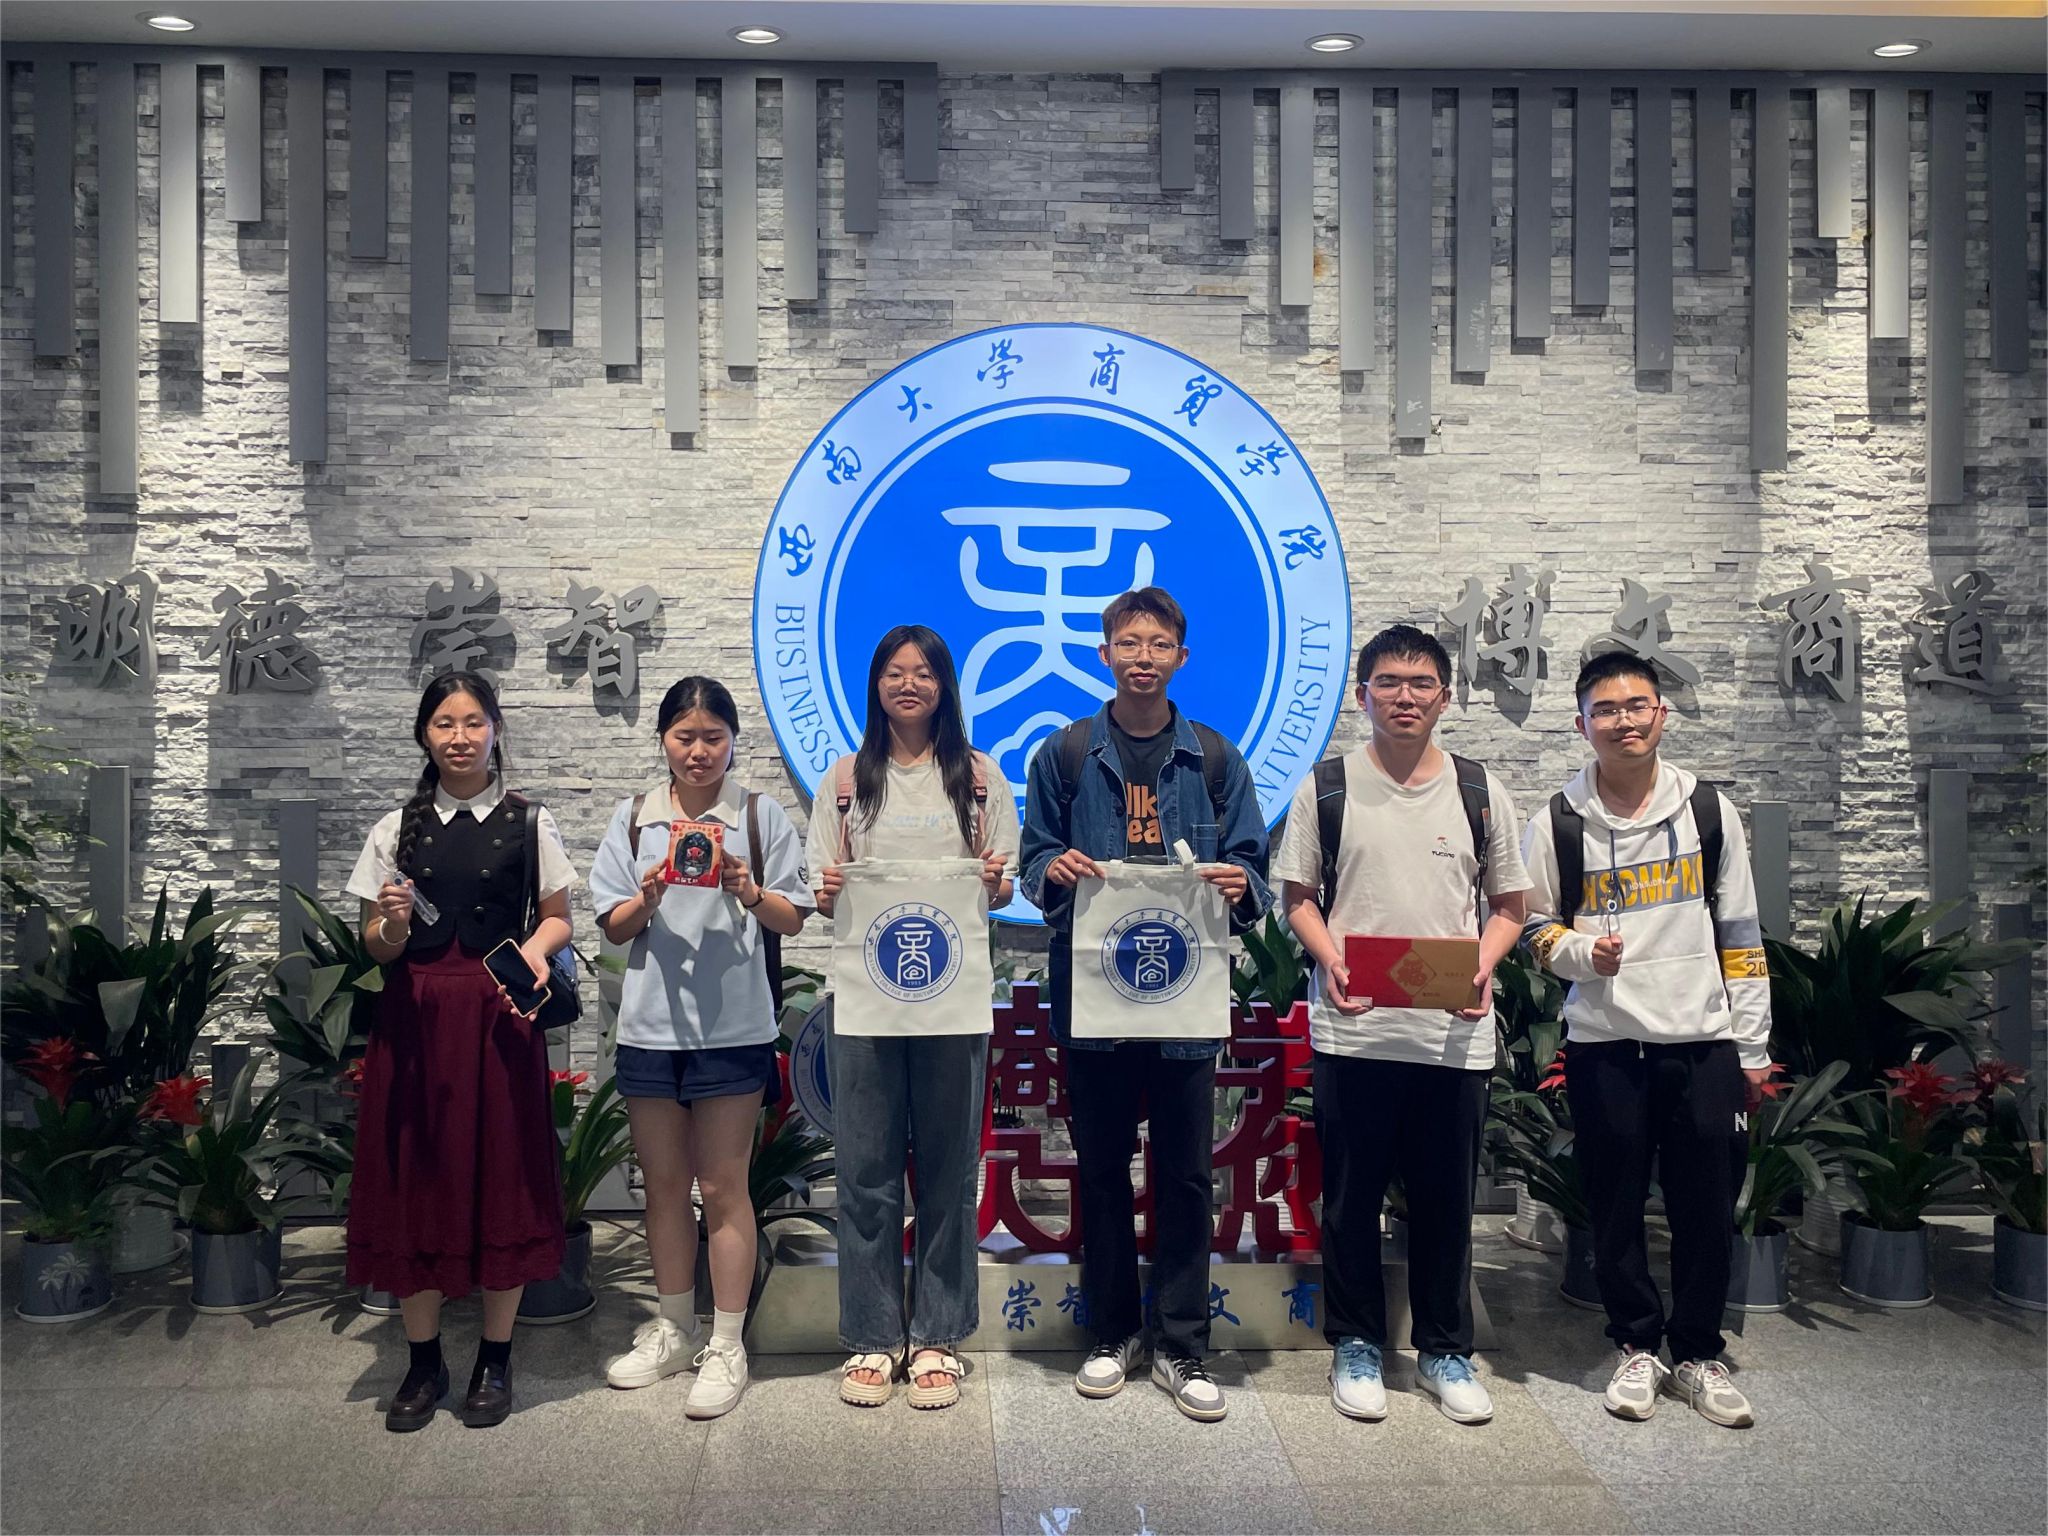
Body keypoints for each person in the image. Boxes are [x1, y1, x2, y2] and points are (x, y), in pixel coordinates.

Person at [1019, 587, 1270, 1423]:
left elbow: (1254, 868)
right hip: (1096, 1005)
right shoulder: (1064, 754)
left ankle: (1182, 1343)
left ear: (1181, 658)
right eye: (1129, 643)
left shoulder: (1215, 758)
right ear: (1104, 653)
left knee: (1185, 1177)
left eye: (1159, 644)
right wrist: (1052, 871)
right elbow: (1033, 860)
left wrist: (1240, 883)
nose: (1143, 657)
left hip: (1184, 1007)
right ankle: (1113, 1332)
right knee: (1100, 1173)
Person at [1274, 624, 1529, 1427]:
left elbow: (1510, 906)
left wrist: (1482, 966)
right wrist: (1332, 961)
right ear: (1363, 695)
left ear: (1445, 697)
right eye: (1388, 682)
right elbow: (1298, 899)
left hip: (1453, 1038)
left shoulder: (1479, 789)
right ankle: (1356, 1344)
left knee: (1446, 1201)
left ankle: (1446, 1349)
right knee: (1350, 1200)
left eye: (1421, 684)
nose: (1404, 697)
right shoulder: (1328, 787)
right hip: (1353, 1033)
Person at [1520, 651, 1770, 1429]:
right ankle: (1635, 1344)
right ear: (1582, 725)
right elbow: (1533, 929)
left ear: (1661, 714)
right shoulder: (1556, 821)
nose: (1623, 721)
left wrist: (1752, 1048)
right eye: (1606, 710)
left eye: (1637, 706)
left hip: (1702, 1042)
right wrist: (1579, 954)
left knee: (1706, 1209)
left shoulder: (1709, 812)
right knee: (1614, 1205)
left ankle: (1696, 1352)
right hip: (1605, 1045)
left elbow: (1741, 936)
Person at [345, 671, 577, 1431]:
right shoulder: (394, 828)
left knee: (504, 1178)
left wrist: (535, 951)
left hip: (498, 1021)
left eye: (474, 722)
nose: (460, 737)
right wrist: (392, 923)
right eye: (444, 723)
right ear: (424, 734)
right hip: (414, 1023)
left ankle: (495, 1358)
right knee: (415, 1179)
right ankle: (422, 1362)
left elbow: (558, 918)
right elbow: (377, 947)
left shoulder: (529, 821)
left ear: (496, 729)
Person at [588, 677, 813, 1420]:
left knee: (722, 1188)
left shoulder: (757, 815)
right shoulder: (634, 819)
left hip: (734, 1028)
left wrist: (748, 889)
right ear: (663, 741)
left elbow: (793, 919)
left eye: (713, 737)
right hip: (651, 1028)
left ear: (732, 742)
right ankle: (674, 1327)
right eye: (685, 737)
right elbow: (613, 926)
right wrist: (648, 897)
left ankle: (726, 1342)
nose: (698, 751)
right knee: (661, 1186)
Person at [807, 625, 1019, 1410]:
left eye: (924, 673)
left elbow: (1003, 885)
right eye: (894, 672)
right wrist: (829, 889)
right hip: (866, 1002)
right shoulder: (844, 781)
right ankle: (871, 1335)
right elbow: (820, 887)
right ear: (876, 685)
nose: (908, 684)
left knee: (948, 1172)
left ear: (943, 688)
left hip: (952, 1003)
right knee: (864, 1172)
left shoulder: (980, 779)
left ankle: (937, 1334)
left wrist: (995, 883)